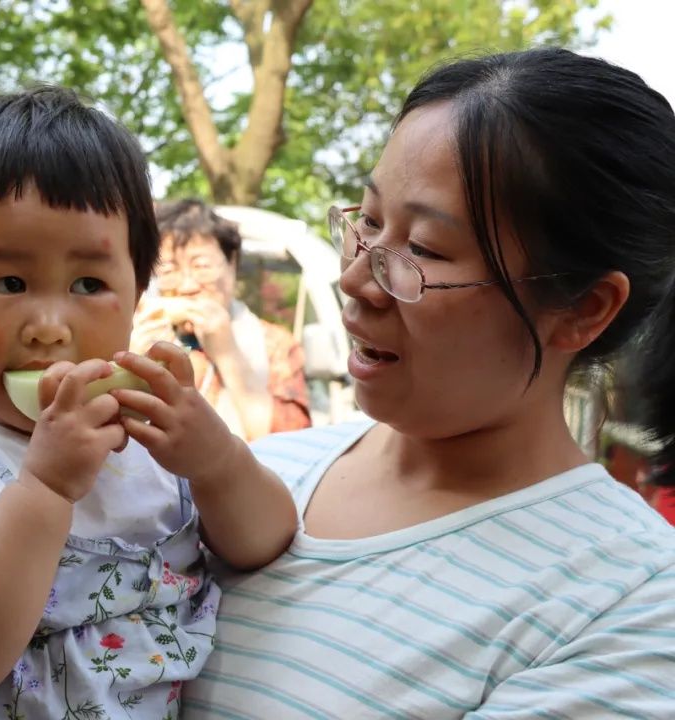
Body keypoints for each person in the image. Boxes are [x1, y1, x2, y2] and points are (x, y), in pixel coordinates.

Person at [184, 47, 675, 718]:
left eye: (423, 250)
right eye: (368, 222)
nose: (354, 279)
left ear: (583, 309)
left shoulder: (632, 599)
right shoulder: (253, 478)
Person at [0, 87, 295, 719]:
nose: (49, 325)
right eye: (9, 282)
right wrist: (43, 490)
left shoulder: (156, 447)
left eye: (89, 284)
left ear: (138, 294)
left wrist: (215, 459)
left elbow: (267, 541)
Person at [130, 199, 310, 440]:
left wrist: (227, 352)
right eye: (169, 271)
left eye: (202, 266)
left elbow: (291, 444)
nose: (187, 285)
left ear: (232, 264)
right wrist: (130, 363)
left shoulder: (276, 344)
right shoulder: (133, 329)